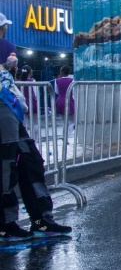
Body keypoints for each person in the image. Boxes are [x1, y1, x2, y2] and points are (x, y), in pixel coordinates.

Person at [1, 54, 72, 241]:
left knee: (31, 161)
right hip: (3, 109)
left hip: (10, 108)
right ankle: (5, 225)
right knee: (6, 168)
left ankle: (42, 221)